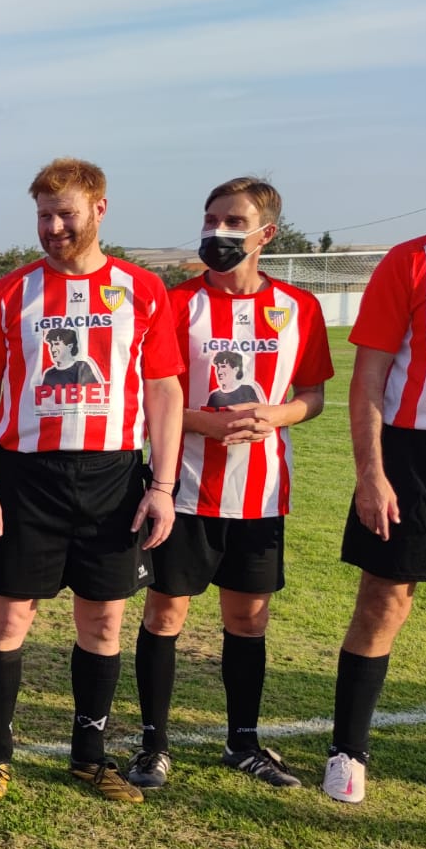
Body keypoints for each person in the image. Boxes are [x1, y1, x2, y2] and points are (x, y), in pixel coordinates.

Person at [0, 158, 184, 807]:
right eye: (43, 216)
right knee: (8, 618)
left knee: (104, 623)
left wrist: (163, 484)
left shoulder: (142, 290)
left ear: (100, 210)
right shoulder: (10, 294)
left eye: (66, 214)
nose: (54, 228)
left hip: (114, 480)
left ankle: (89, 758)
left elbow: (163, 391)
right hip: (26, 479)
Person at [130, 178, 330, 792]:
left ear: (266, 233)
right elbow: (148, 396)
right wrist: (204, 422)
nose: (217, 232)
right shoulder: (174, 302)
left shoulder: (299, 308)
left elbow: (313, 397)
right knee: (165, 616)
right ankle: (153, 746)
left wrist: (277, 415)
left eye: (233, 221)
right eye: (211, 219)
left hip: (261, 496)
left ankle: (243, 742)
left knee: (248, 621)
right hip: (183, 491)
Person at [322, 155, 426, 804]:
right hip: (414, 457)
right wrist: (372, 474)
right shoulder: (412, 263)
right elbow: (368, 378)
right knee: (385, 601)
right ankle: (348, 750)